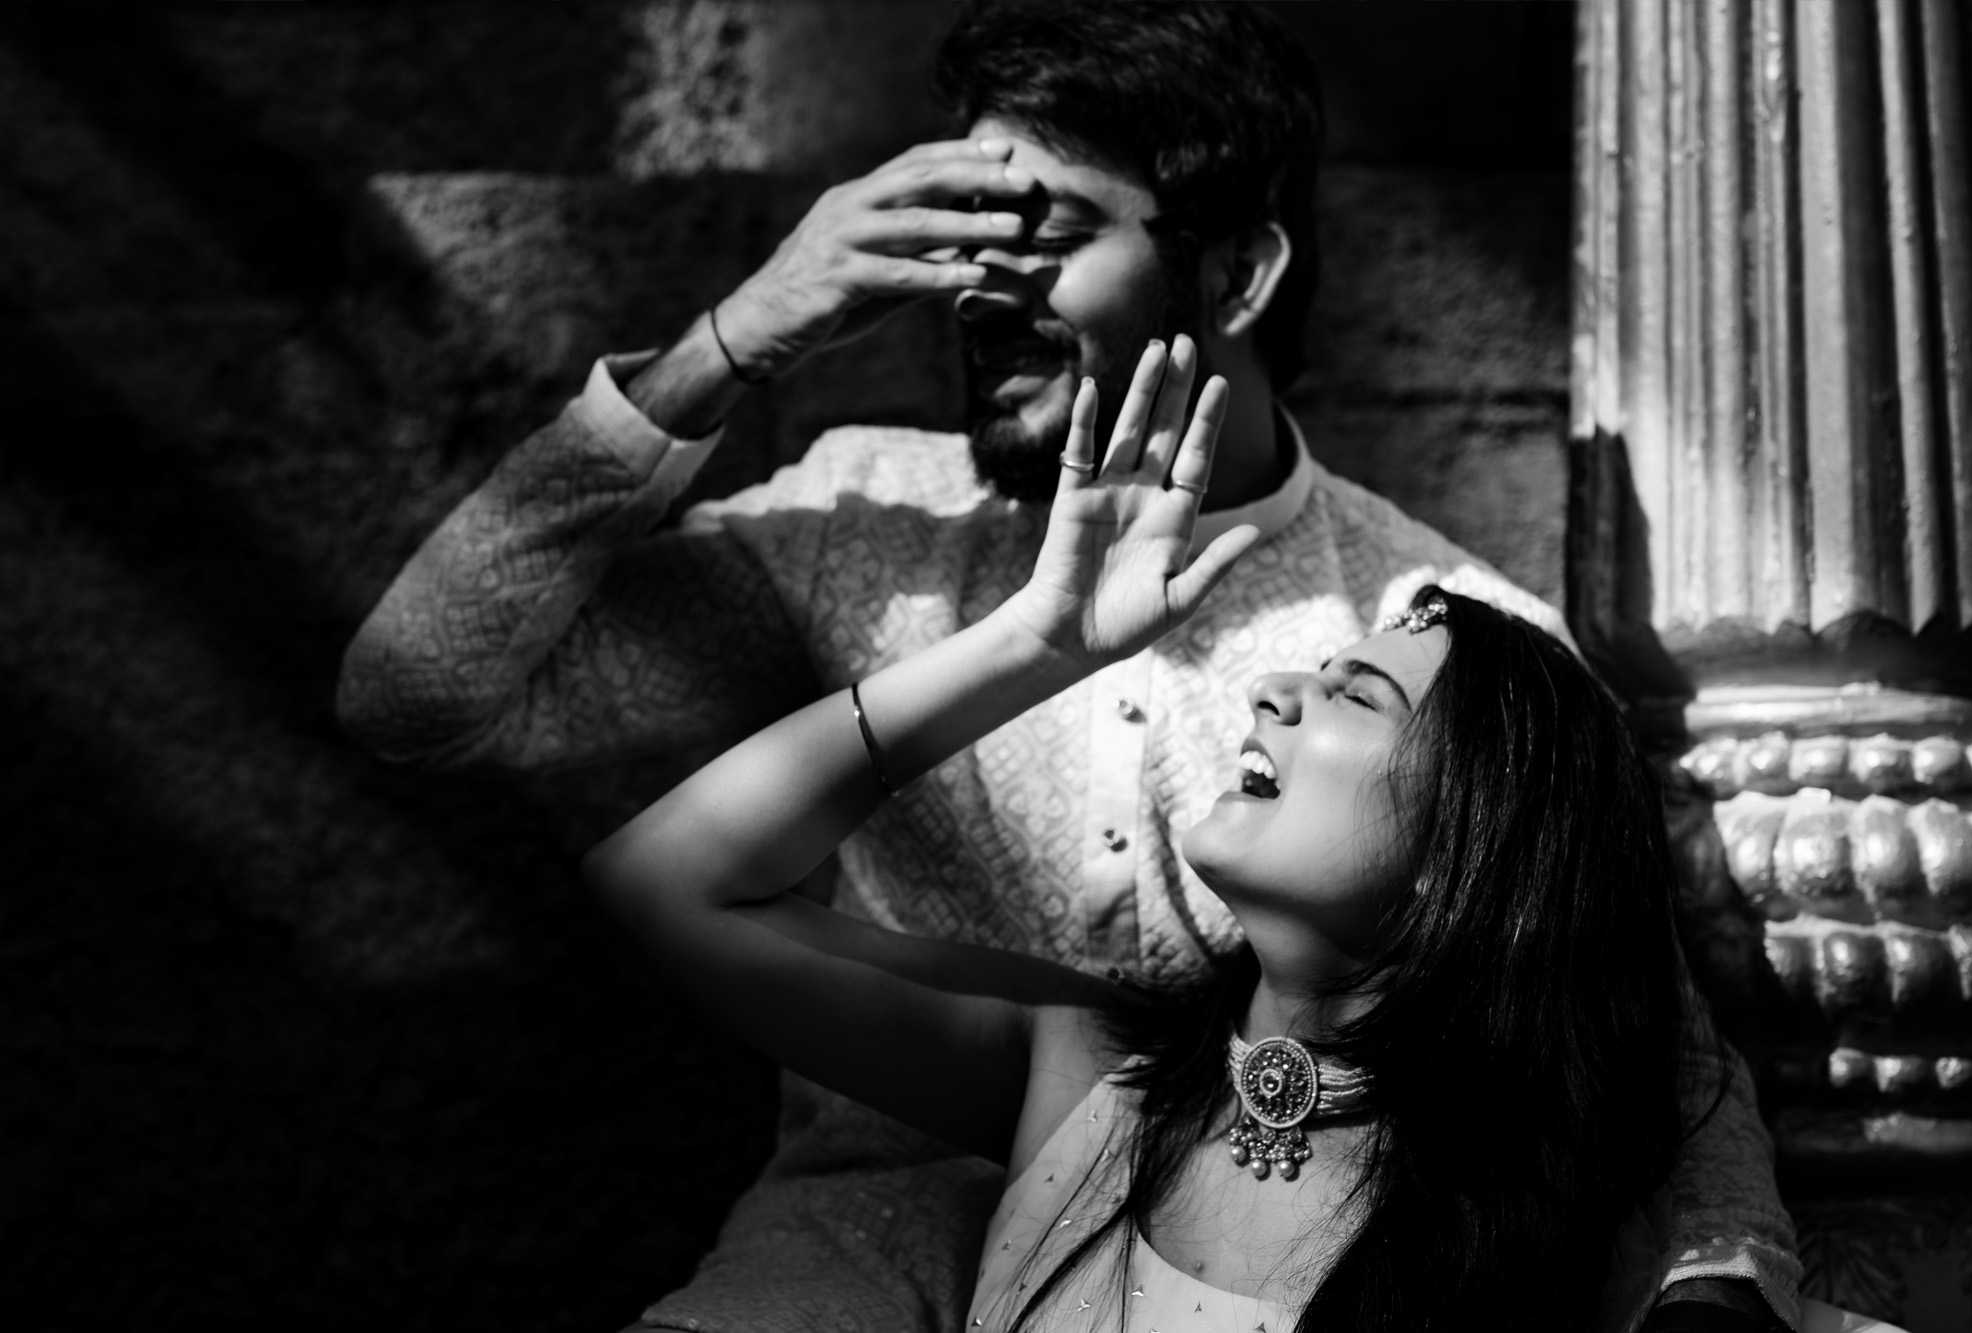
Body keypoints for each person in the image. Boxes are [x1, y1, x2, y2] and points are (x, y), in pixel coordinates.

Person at [337, 5, 1797, 1329]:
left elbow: (1643, 1046)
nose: (978, 284)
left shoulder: (1433, 637)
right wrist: (728, 340)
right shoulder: (865, 516)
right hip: (847, 1248)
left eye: (1043, 231)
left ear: (1236, 271)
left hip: (1270, 1253)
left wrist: (1714, 1287)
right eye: (959, 226)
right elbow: (412, 697)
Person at [581, 344, 1718, 1331]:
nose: (1274, 690)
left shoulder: (1546, 1220)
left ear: (1464, 858)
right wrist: (1031, 647)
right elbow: (663, 880)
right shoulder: (1081, 1071)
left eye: (1356, 695)